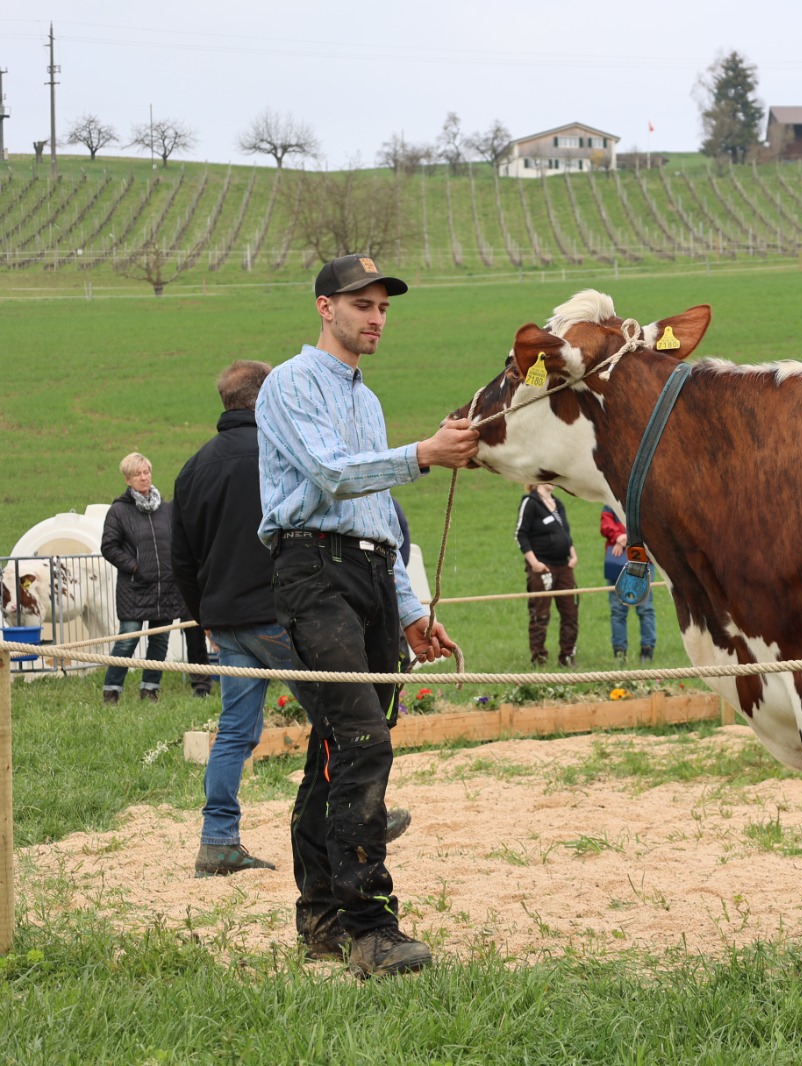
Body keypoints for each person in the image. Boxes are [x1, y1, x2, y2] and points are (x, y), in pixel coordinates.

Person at [255, 253, 478, 979]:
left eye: (383, 307)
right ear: (325, 308)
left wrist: (409, 607)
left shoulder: (369, 400)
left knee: (340, 743)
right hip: (311, 569)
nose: (376, 318)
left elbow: (378, 511)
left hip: (369, 573)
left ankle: (319, 917)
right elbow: (330, 474)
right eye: (362, 305)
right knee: (361, 739)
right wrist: (422, 454)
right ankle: (369, 926)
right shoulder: (290, 384)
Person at [173, 361, 413, 880]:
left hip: (227, 621)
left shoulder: (193, 468)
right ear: (267, 401)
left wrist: (206, 617)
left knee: (236, 732)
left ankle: (217, 839)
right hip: (285, 611)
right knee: (347, 720)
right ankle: (362, 813)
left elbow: (181, 559)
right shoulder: (280, 454)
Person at [100, 452, 187, 704]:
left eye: (146, 472)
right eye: (137, 474)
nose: (143, 477)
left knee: (159, 641)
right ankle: (112, 689)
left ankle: (150, 688)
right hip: (135, 588)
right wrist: (135, 567)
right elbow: (109, 547)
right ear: (127, 479)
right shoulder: (118, 511)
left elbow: (177, 540)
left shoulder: (166, 509)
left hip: (165, 587)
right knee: (127, 640)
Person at [517, 483, 578, 667]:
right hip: (543, 566)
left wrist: (573, 554)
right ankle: (539, 659)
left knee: (570, 612)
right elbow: (521, 534)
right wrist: (534, 563)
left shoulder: (558, 503)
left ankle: (567, 656)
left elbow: (565, 533)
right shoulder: (530, 502)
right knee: (540, 613)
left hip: (564, 566)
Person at [600, 506, 655, 663]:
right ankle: (620, 652)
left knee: (645, 608)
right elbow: (605, 523)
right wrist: (618, 536)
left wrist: (626, 538)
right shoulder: (611, 500)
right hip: (618, 562)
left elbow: (650, 525)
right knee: (617, 610)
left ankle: (647, 650)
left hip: (642, 561)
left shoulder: (644, 498)